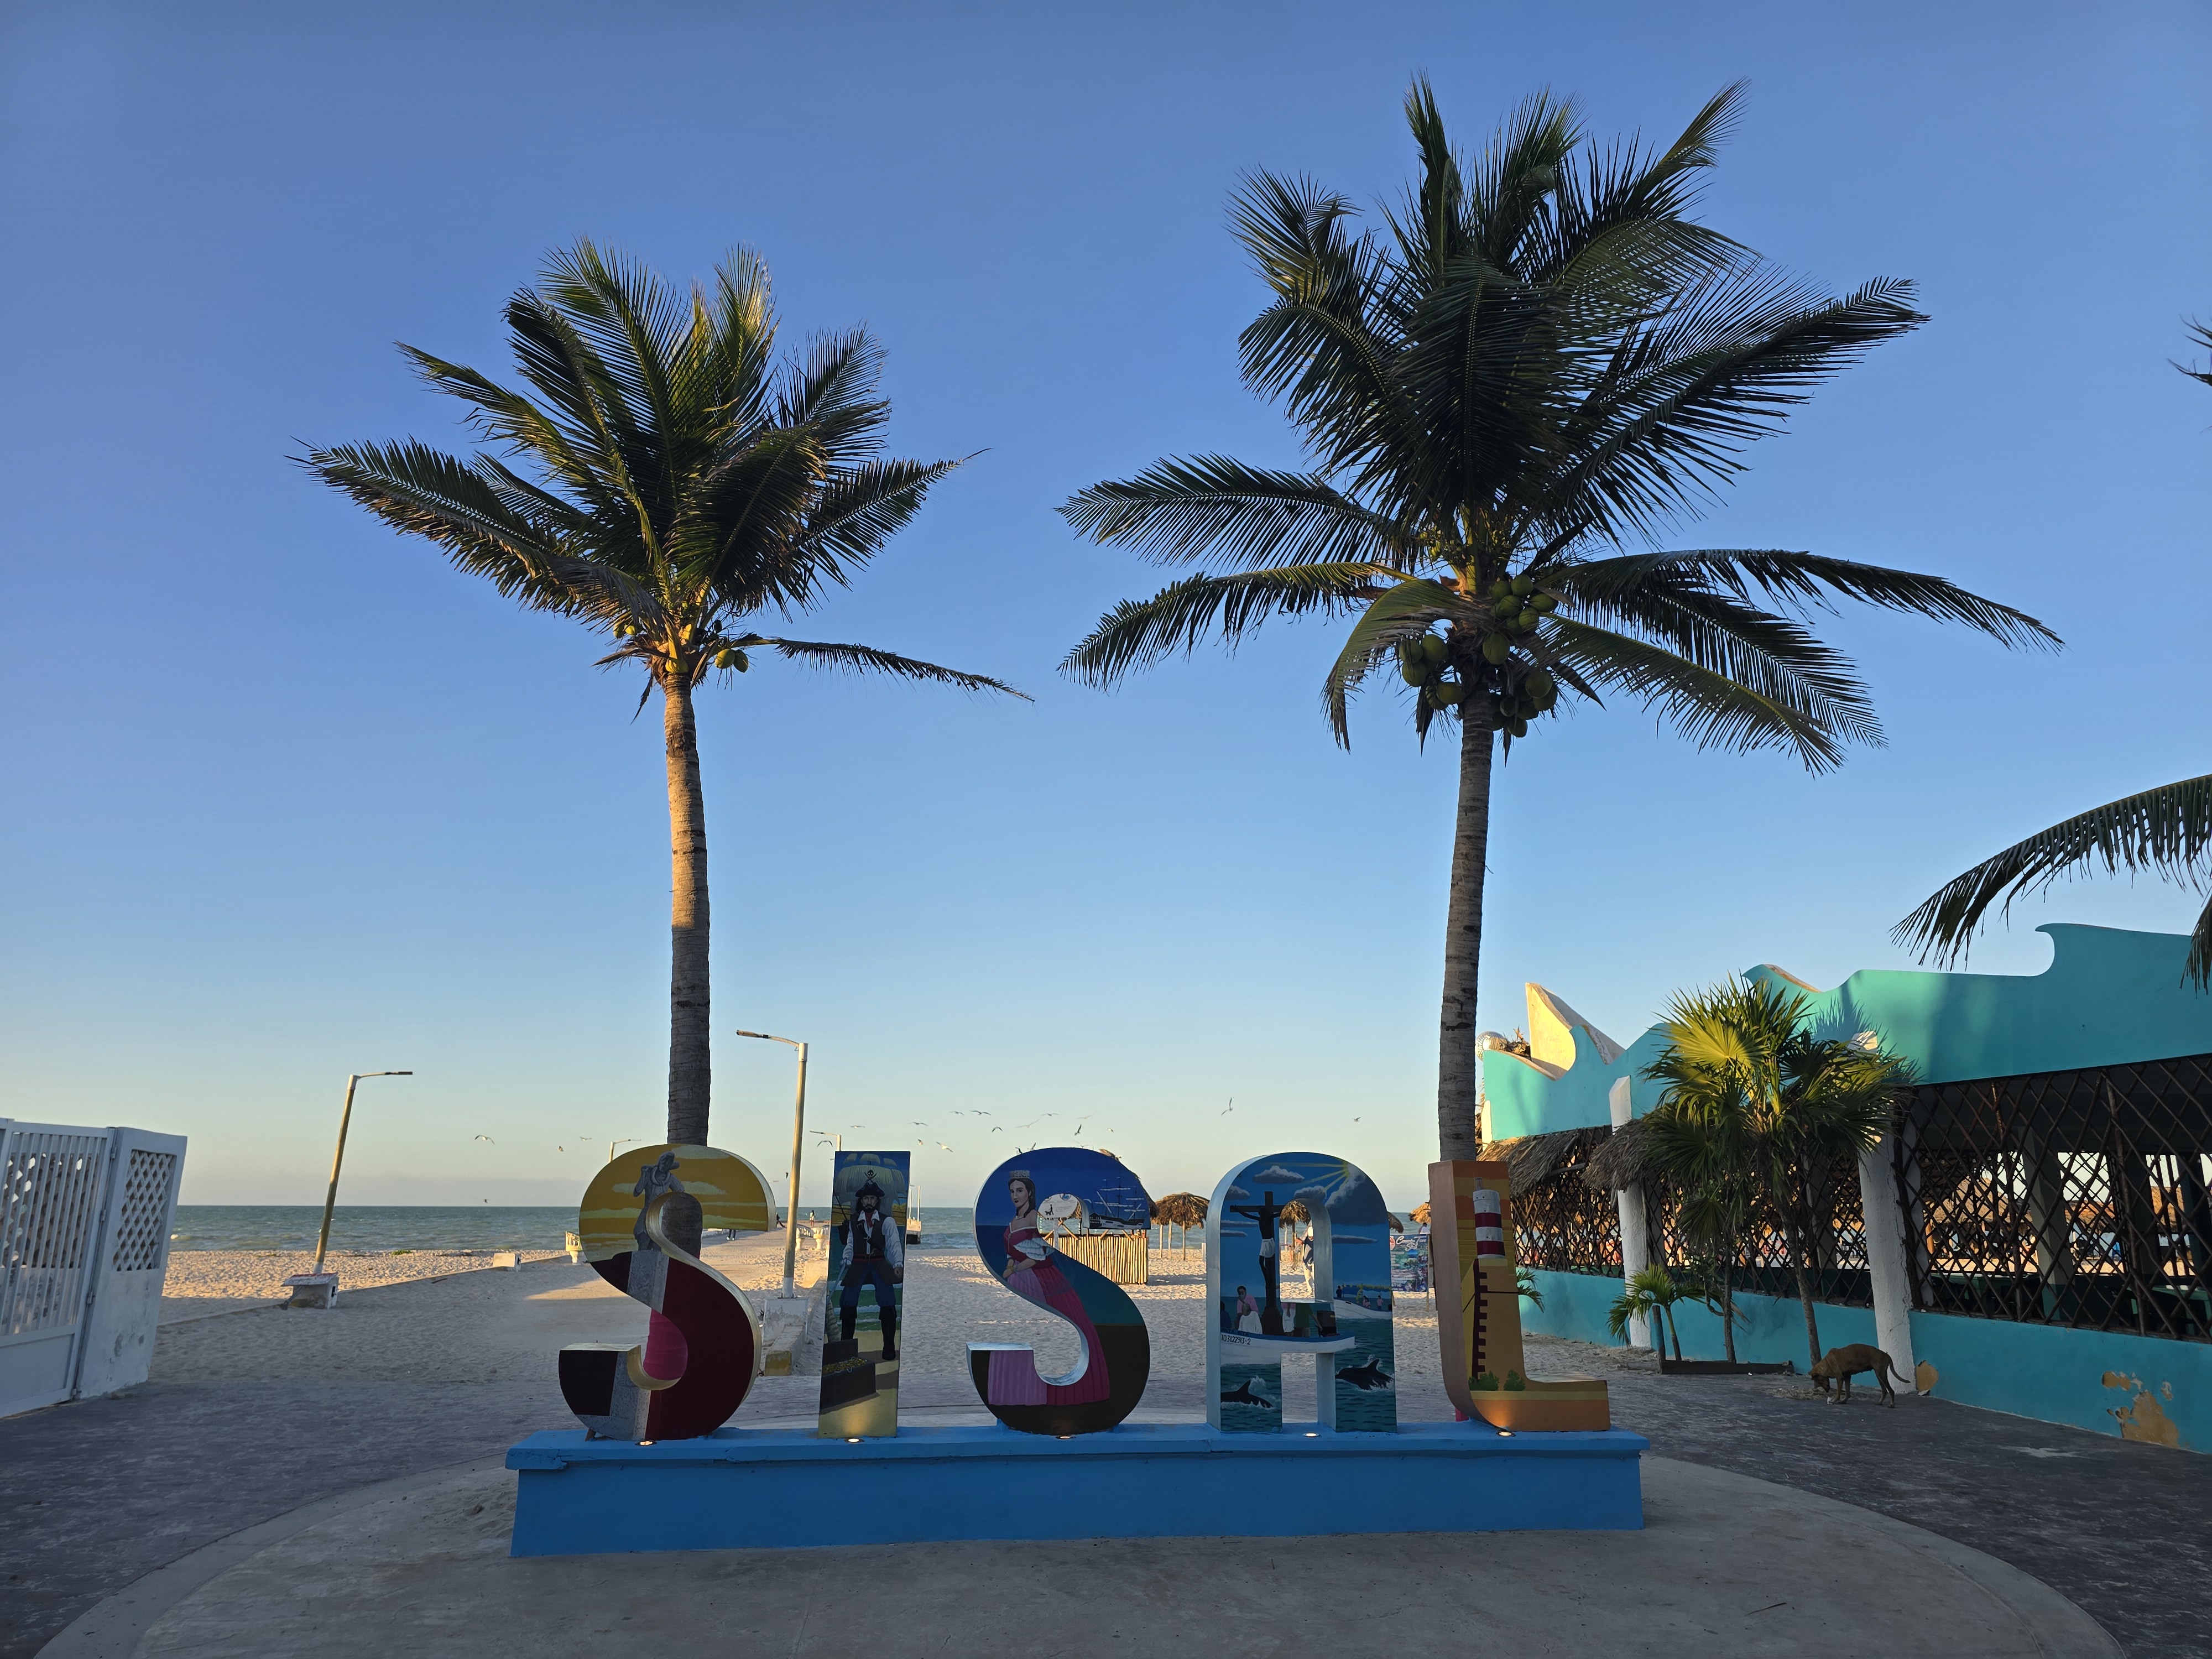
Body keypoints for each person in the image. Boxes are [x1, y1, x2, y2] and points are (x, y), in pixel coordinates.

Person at [1000, 1172, 1110, 1402]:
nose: (1015, 1196)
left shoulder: (1033, 1218)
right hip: (1020, 1273)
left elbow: (1040, 1253)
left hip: (1042, 1277)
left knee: (1080, 1320)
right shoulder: (1013, 1221)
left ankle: (1094, 1382)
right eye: (1012, 1192)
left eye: (1020, 1191)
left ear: (1029, 1192)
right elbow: (1012, 1251)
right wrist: (1010, 1266)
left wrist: (1016, 1270)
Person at [839, 1177, 904, 1361]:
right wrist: (846, 1259)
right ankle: (846, 1348)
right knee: (847, 1303)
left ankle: (889, 1348)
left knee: (888, 1303)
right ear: (861, 1200)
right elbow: (850, 1243)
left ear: (877, 1201)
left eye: (872, 1199)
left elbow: (894, 1244)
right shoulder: (854, 1221)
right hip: (858, 1264)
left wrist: (898, 1264)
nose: (869, 1202)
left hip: (879, 1264)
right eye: (866, 1198)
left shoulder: (887, 1221)